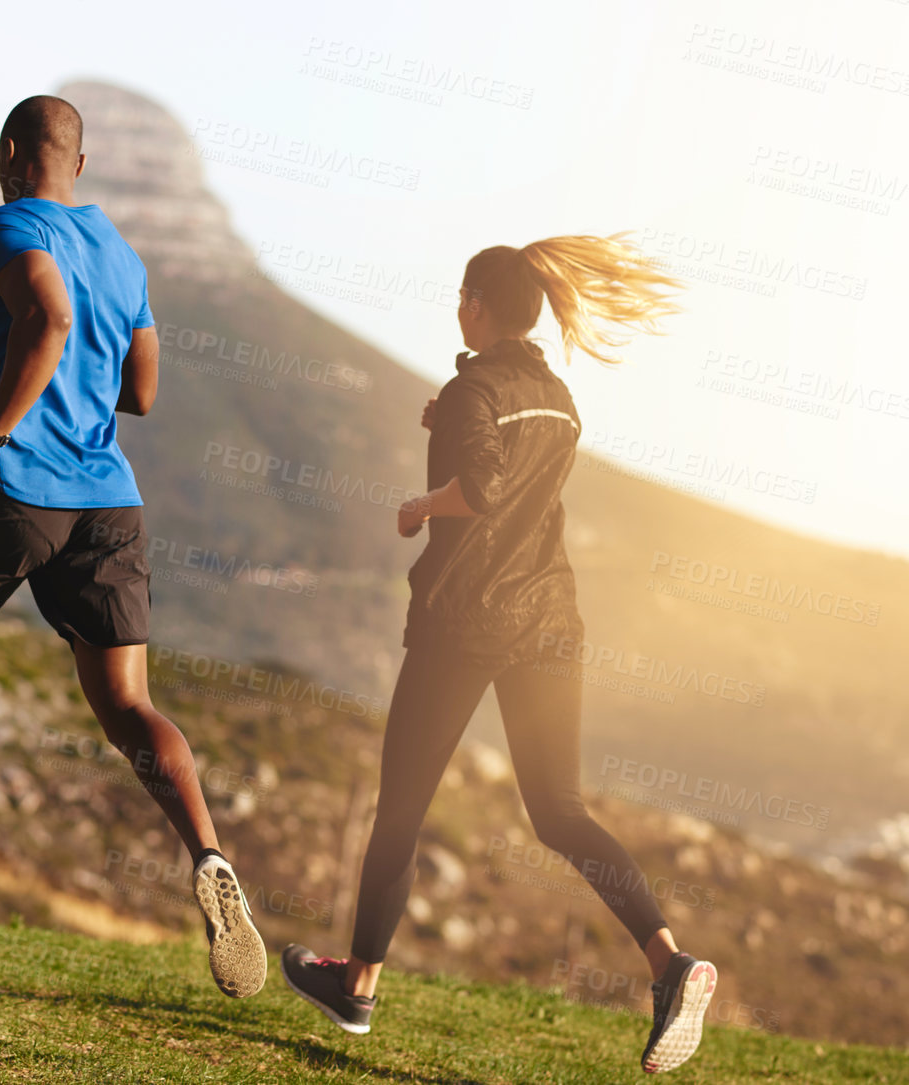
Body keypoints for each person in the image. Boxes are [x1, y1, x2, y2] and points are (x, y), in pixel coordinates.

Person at [0, 95, 267, 1001]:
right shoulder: (121, 250)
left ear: (13, 153)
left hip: (15, 489)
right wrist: (9, 330)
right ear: (82, 161)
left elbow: (51, 321)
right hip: (110, 504)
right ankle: (209, 853)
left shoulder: (2, 224)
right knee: (128, 707)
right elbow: (139, 390)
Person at [280, 236, 716, 1072]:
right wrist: (450, 424)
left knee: (401, 809)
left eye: (460, 295)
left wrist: (418, 505)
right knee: (560, 809)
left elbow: (482, 488)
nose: (457, 307)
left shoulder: (472, 386)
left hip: (466, 621)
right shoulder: (556, 398)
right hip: (550, 621)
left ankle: (358, 985)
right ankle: (669, 962)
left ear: (477, 305)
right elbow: (510, 464)